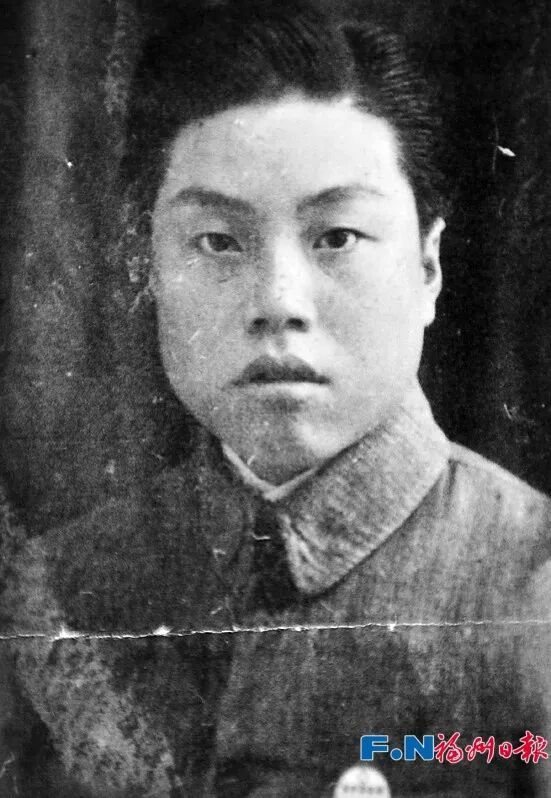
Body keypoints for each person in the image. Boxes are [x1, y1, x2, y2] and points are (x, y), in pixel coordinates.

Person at [1, 1, 550, 795]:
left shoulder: (532, 584)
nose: (278, 303)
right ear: (146, 267)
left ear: (427, 268)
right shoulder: (56, 589)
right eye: (217, 242)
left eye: (336, 237)